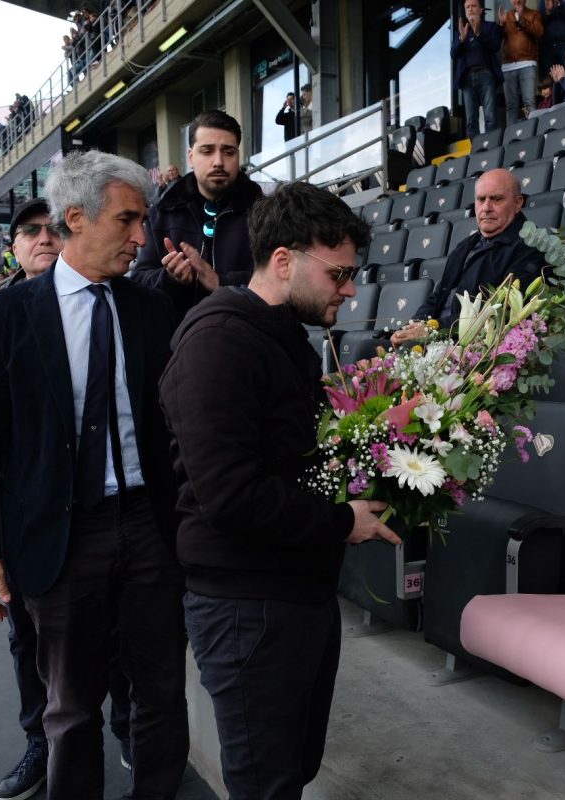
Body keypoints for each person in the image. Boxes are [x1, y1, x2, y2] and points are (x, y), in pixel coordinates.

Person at [0, 150, 187, 800]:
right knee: (71, 707)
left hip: (148, 530)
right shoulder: (3, 319)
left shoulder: (150, 311)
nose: (142, 237)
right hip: (59, 537)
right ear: (76, 220)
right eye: (129, 220)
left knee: (162, 695)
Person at [160, 180, 401, 800]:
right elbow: (231, 494)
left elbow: (289, 457)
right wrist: (340, 521)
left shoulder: (283, 336)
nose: (349, 290)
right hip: (246, 603)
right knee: (265, 782)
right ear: (285, 260)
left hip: (291, 592)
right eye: (340, 273)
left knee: (291, 769)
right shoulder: (218, 340)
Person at [131, 110, 264, 320]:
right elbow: (139, 279)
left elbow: (283, 277)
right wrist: (170, 277)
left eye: (228, 152)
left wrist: (221, 282)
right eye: (207, 151)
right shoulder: (162, 212)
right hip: (178, 343)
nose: (218, 161)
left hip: (249, 338)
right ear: (191, 157)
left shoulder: (265, 211)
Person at [391, 168, 544, 344]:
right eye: (481, 199)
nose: (486, 207)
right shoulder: (464, 246)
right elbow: (439, 296)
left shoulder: (531, 247)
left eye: (497, 199)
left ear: (518, 203)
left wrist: (433, 328)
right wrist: (413, 326)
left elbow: (499, 311)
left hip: (475, 350)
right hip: (437, 340)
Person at [452, 0, 504, 137]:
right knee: (471, 120)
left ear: (481, 10)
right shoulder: (461, 30)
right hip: (467, 78)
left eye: (473, 6)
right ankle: (476, 153)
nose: (470, 9)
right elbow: (453, 54)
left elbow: (495, 46)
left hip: (486, 74)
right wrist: (462, 40)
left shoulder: (490, 27)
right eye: (467, 7)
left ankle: (491, 149)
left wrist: (479, 33)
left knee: (490, 116)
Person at [499, 0, 545, 124]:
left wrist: (522, 19)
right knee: (511, 106)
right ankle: (511, 139)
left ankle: (532, 135)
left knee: (529, 102)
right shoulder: (507, 16)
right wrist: (502, 25)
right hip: (508, 65)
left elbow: (539, 32)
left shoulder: (534, 14)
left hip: (527, 62)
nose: (516, 1)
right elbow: (498, 39)